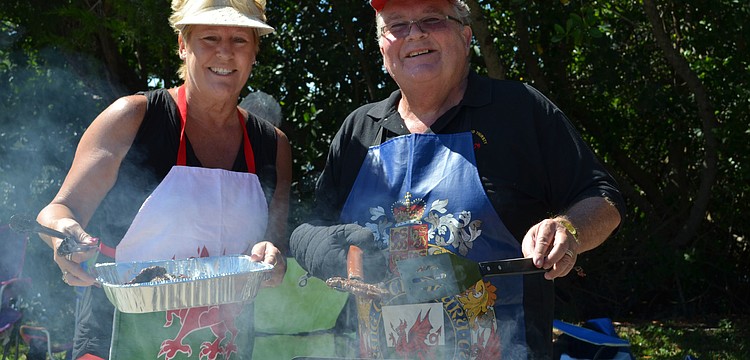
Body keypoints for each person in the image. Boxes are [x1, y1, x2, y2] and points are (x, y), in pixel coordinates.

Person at [289, 0, 625, 359]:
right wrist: (314, 246)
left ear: (466, 37)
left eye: (432, 19)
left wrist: (567, 230)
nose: (415, 33)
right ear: (382, 46)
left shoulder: (519, 111)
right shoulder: (358, 130)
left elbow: (602, 198)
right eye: (397, 25)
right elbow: (308, 225)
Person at [35, 0, 290, 358]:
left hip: (221, 346)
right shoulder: (134, 118)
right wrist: (65, 238)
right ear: (183, 44)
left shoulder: (272, 146)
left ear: (255, 51)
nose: (225, 53)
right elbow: (59, 209)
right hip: (117, 340)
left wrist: (273, 258)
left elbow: (273, 248)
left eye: (240, 40)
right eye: (210, 37)